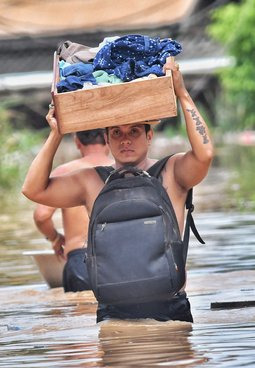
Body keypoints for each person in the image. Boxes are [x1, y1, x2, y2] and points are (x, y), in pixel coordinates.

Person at [22, 58, 213, 322]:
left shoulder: (172, 172)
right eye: (116, 133)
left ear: (149, 136)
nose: (125, 139)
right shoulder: (91, 181)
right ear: (107, 139)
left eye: (134, 131)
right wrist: (57, 133)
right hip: (114, 312)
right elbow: (32, 189)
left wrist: (182, 93)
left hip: (170, 306)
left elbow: (204, 154)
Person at [33, 129, 112, 292]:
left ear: (77, 142)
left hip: (80, 261)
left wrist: (55, 238)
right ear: (108, 137)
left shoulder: (66, 172)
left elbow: (41, 216)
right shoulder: (122, 169)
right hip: (117, 258)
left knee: (80, 315)